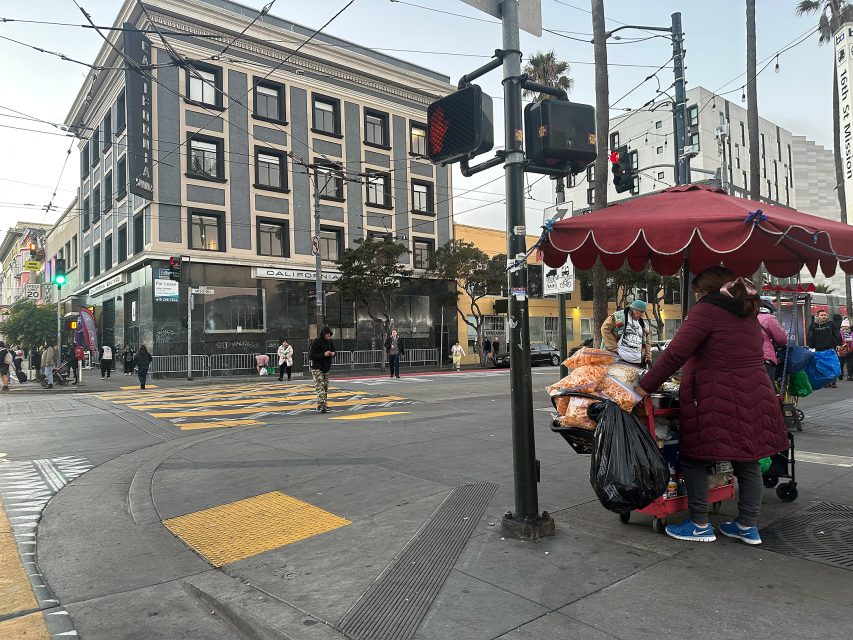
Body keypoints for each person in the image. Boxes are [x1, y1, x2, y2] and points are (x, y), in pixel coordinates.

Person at [635, 267, 788, 545]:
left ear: (704, 291)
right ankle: (746, 525)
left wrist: (644, 386)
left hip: (717, 395)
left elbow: (676, 353)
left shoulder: (707, 311)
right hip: (755, 394)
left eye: (696, 292)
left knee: (695, 457)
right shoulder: (746, 312)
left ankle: (699, 524)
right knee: (748, 459)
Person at [601, 299, 652, 366]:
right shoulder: (619, 317)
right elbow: (605, 329)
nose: (642, 315)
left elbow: (647, 342)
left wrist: (648, 356)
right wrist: (613, 348)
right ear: (633, 309)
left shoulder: (644, 325)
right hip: (619, 359)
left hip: (637, 362)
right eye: (640, 312)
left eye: (643, 312)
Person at [807, 309, 842, 388]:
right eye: (822, 315)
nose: (824, 316)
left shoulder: (831, 324)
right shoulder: (813, 325)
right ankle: (826, 382)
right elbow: (810, 336)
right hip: (819, 349)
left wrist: (838, 344)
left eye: (825, 315)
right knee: (822, 366)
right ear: (818, 316)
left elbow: (836, 333)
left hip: (830, 348)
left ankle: (833, 381)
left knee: (832, 366)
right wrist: (811, 346)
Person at [757, 301, 788, 385]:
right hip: (765, 357)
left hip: (744, 359)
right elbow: (781, 339)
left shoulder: (744, 317)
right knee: (766, 386)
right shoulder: (769, 318)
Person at [308, 326, 335, 413]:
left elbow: (335, 351)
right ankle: (322, 405)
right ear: (323, 334)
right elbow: (311, 356)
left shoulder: (330, 342)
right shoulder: (316, 342)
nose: (329, 336)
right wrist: (323, 354)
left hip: (326, 367)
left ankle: (323, 404)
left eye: (329, 334)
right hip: (316, 367)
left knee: (325, 386)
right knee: (320, 386)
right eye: (327, 334)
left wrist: (333, 354)